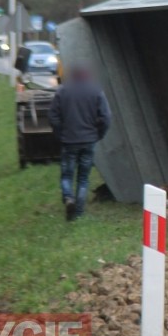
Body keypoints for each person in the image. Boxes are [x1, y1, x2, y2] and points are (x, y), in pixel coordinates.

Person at [48, 63, 111, 221]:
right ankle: (79, 213)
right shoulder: (96, 91)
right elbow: (106, 117)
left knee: (67, 175)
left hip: (69, 140)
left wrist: (60, 134)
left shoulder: (62, 91)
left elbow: (52, 117)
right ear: (87, 76)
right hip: (89, 140)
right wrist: (99, 134)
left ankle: (69, 198)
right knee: (83, 178)